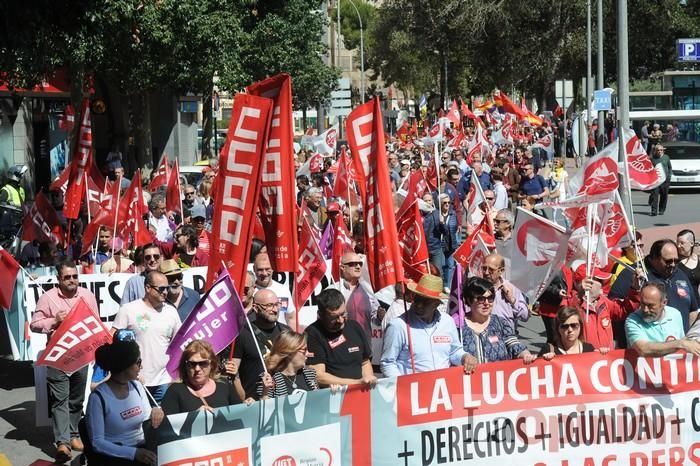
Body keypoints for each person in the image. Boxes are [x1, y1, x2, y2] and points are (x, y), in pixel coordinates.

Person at [30, 259, 100, 463]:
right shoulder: (48, 298)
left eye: (74, 276)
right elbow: (34, 324)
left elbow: (95, 321)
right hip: (58, 356)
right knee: (60, 399)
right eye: (67, 277)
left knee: (77, 399)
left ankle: (74, 434)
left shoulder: (87, 295)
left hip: (81, 354)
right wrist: (54, 321)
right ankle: (63, 442)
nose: (71, 280)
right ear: (59, 279)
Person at [381, 274, 478, 376]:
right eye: (417, 299)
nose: (419, 305)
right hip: (412, 389)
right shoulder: (398, 326)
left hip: (442, 388)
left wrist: (465, 357)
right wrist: (403, 386)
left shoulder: (447, 322)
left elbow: (454, 352)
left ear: (437, 303)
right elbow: (387, 363)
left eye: (426, 302)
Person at [84, 338, 162, 466]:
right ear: (125, 365)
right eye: (138, 362)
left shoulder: (137, 386)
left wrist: (156, 411)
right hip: (115, 457)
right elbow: (97, 443)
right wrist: (133, 453)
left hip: (143, 449)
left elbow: (148, 420)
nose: (141, 367)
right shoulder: (98, 398)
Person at [113, 271, 182, 403]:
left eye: (167, 288)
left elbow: (179, 344)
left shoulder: (171, 311)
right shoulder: (128, 310)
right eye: (161, 289)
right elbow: (113, 339)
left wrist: (176, 376)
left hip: (164, 381)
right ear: (148, 288)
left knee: (162, 420)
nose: (165, 292)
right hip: (135, 380)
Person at [306, 288, 377, 386]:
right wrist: (356, 383)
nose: (340, 320)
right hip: (333, 395)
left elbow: (365, 362)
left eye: (343, 314)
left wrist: (368, 381)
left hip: (361, 392)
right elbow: (318, 375)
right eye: (333, 317)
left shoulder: (354, 327)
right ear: (321, 315)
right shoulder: (313, 334)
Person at [231, 289, 291, 400]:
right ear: (255, 308)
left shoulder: (286, 332)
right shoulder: (243, 334)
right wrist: (242, 398)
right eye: (269, 305)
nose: (275, 309)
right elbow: (233, 371)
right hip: (254, 402)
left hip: (285, 399)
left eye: (277, 304)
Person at [461, 277, 536, 364]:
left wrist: (525, 354)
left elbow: (513, 343)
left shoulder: (500, 323)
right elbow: (453, 353)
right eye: (481, 299)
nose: (486, 303)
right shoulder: (458, 326)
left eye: (490, 298)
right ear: (469, 300)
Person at [161, 340, 242, 414]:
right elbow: (168, 426)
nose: (197, 369)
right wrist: (195, 417)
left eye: (203, 363)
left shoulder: (224, 384)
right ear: (185, 366)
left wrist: (250, 405)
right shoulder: (175, 390)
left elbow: (240, 412)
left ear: (212, 364)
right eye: (192, 364)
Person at [626, 283, 700, 357]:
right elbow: (643, 349)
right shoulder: (633, 320)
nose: (645, 309)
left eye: (650, 305)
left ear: (664, 302)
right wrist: (679, 344)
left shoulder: (675, 314)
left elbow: (683, 343)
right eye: (642, 304)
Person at [644, 239, 698, 332]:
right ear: (654, 259)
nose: (673, 264)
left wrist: (688, 335)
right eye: (668, 261)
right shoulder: (643, 277)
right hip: (659, 342)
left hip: (683, 341)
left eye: (676, 261)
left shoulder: (680, 274)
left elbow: (693, 310)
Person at [327, 252, 379, 339]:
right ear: (343, 268)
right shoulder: (333, 291)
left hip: (364, 346)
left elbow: (376, 320)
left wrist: (380, 315)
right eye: (353, 264)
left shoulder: (367, 291)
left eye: (360, 264)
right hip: (340, 346)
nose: (358, 267)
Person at [257, 331, 320, 399]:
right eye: (304, 350)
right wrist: (265, 394)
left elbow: (318, 402)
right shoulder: (269, 379)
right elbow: (265, 407)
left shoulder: (310, 374)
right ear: (290, 352)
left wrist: (330, 393)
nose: (308, 353)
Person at [479, 253, 529, 332]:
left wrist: (512, 300)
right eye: (484, 268)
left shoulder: (511, 287)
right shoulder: (476, 287)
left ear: (501, 270)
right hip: (483, 334)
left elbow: (525, 316)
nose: (486, 272)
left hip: (506, 336)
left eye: (491, 269)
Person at [254, 253, 297, 330]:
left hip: (281, 336)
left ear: (273, 268)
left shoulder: (283, 289)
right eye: (260, 270)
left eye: (267, 269)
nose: (264, 273)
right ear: (254, 269)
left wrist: (294, 339)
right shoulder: (250, 291)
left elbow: (291, 318)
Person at [648, 144, 671, 216]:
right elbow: (649, 169)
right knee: (655, 195)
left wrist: (669, 175)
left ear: (663, 150)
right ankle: (654, 211)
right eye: (658, 150)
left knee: (664, 195)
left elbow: (669, 167)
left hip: (665, 180)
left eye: (661, 150)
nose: (659, 151)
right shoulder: (652, 159)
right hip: (656, 180)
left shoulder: (666, 157)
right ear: (655, 151)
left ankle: (661, 210)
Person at [677, 229, 700, 300]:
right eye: (677, 243)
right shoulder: (675, 262)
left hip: (697, 302)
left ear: (692, 243)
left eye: (682, 243)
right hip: (682, 301)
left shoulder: (698, 260)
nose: (678, 246)